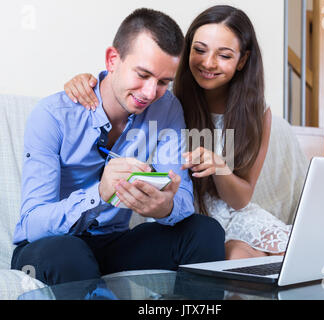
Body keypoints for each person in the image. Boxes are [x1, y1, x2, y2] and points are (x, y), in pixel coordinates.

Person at [11, 8, 225, 286]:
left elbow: (181, 195)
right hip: (50, 246)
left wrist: (166, 207)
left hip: (113, 244)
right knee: (68, 252)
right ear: (113, 59)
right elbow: (32, 223)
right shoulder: (53, 115)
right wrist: (99, 194)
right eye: (143, 74)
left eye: (163, 82)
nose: (150, 93)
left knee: (204, 231)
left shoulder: (167, 108)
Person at [64, 5, 292, 261]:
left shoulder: (256, 111)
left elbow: (240, 200)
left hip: (235, 215)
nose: (208, 63)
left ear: (242, 60)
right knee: (238, 258)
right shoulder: (162, 96)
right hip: (187, 220)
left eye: (224, 56)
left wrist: (220, 167)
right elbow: (118, 84)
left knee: (291, 258)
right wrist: (86, 81)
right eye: (199, 50)